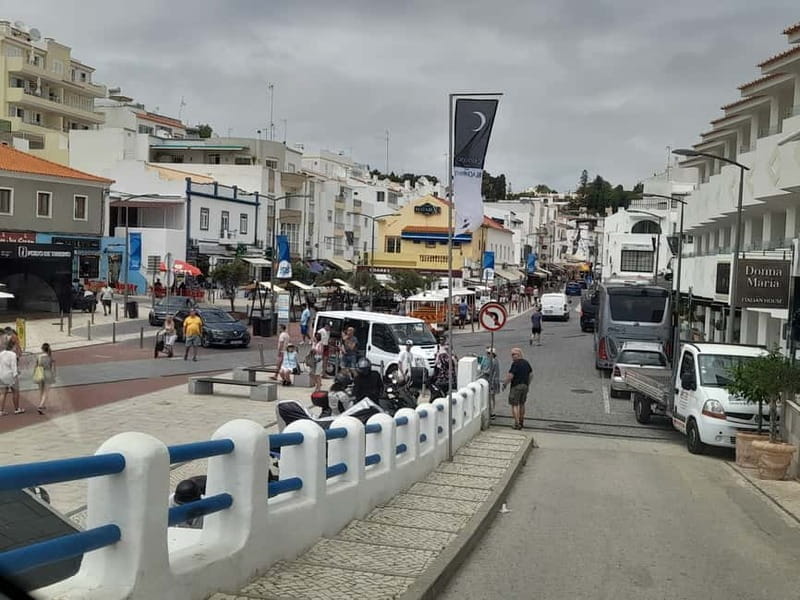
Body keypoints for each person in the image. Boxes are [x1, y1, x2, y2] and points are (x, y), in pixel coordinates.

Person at [502, 348, 532, 430]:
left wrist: (505, 384)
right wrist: (527, 383)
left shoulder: (515, 364)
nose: (512, 356)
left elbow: (510, 376)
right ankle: (521, 421)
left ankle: (517, 423)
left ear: (518, 354)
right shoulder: (526, 363)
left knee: (514, 404)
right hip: (525, 385)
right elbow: (531, 374)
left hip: (516, 386)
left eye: (513, 354)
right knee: (522, 403)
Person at [33, 343, 56, 414]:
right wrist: (54, 375)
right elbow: (53, 368)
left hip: (40, 373)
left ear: (42, 349)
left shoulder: (38, 356)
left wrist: (34, 374)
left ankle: (42, 404)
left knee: (41, 391)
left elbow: (35, 366)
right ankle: (41, 405)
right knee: (46, 392)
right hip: (48, 374)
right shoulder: (50, 357)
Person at [0, 339, 21, 415]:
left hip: (1, 375)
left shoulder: (1, 354)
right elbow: (13, 366)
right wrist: (16, 375)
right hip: (10, 375)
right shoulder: (13, 354)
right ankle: (16, 409)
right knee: (15, 392)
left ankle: (1, 411)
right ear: (13, 346)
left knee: (2, 393)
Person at [479, 347, 500, 416]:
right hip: (492, 381)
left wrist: (481, 373)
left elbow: (488, 372)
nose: (487, 354)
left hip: (492, 381)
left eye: (488, 353)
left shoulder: (493, 361)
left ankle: (492, 412)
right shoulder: (492, 360)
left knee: (490, 397)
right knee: (491, 397)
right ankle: (492, 411)